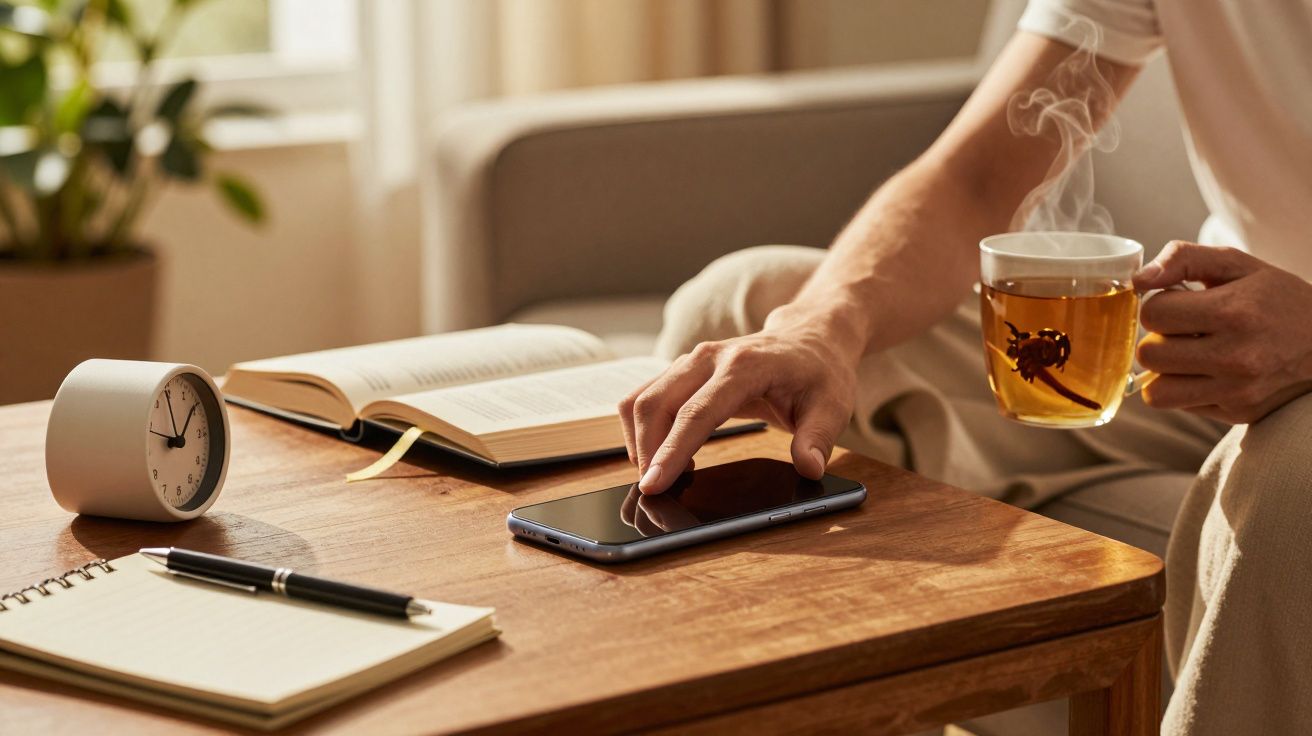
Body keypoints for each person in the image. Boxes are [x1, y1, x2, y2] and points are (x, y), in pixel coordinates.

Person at [617, 1, 1312, 734]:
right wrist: (821, 329)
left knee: (1295, 468)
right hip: (1217, 355)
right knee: (744, 312)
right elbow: (977, 180)